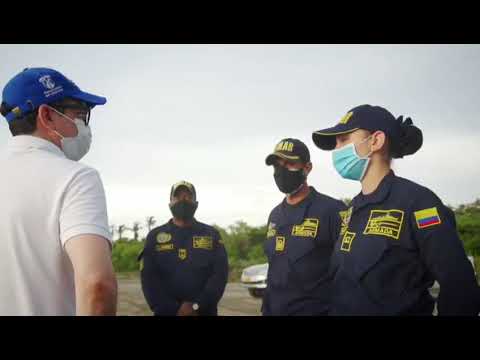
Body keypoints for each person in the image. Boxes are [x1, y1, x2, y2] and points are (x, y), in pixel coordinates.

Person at [312, 104, 480, 315]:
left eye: (344, 139)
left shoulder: (419, 203)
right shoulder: (352, 210)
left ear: (376, 141)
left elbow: (460, 286)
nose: (336, 149)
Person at [0, 67, 117, 315]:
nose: (84, 127)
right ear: (47, 115)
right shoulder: (75, 179)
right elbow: (97, 284)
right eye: (79, 115)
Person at [262, 138, 347, 316]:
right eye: (277, 165)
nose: (281, 170)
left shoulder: (333, 211)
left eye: (290, 163)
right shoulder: (275, 215)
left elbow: (348, 273)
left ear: (307, 168)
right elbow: (274, 271)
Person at [140, 181, 228, 316]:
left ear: (196, 203)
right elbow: (149, 279)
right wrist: (173, 310)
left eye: (188, 196)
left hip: (204, 312)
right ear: (170, 203)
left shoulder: (211, 235)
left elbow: (219, 276)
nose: (183, 200)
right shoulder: (154, 237)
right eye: (178, 197)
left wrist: (197, 306)